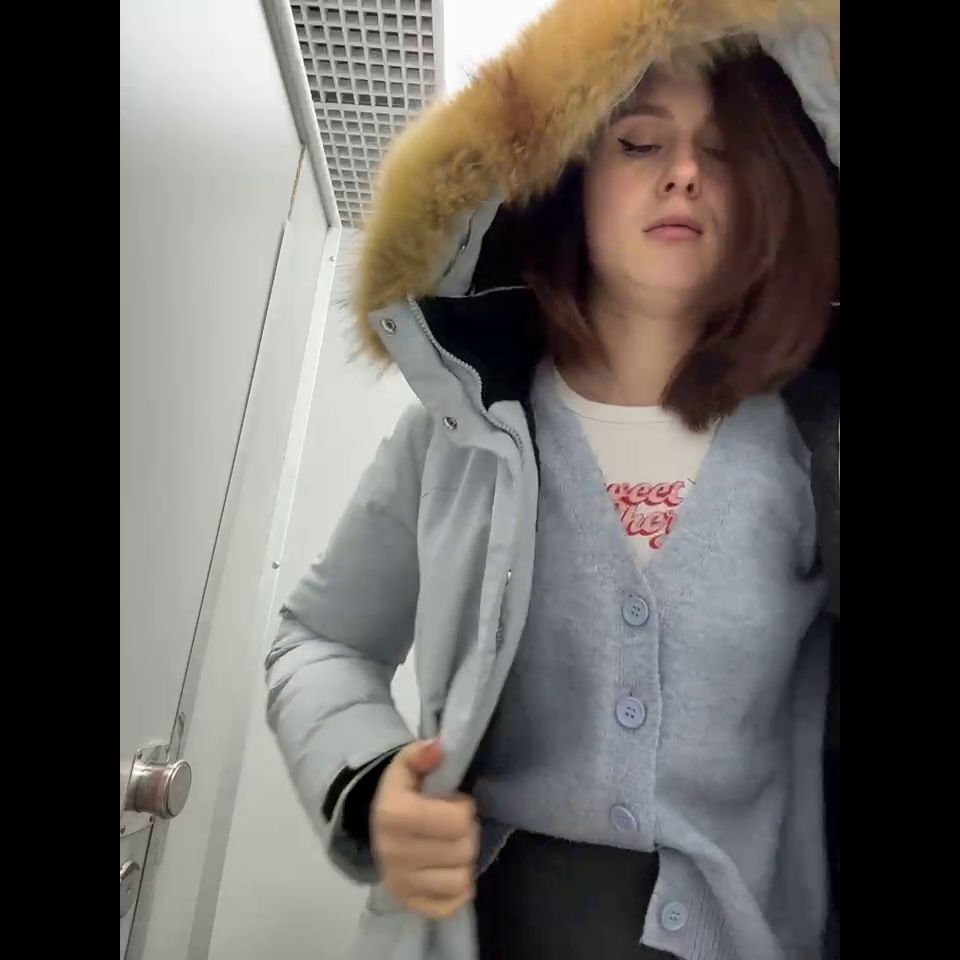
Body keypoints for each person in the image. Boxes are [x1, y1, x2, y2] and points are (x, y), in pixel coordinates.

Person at [266, 2, 840, 959]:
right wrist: (368, 781)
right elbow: (317, 639)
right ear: (569, 182)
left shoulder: (817, 450)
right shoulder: (454, 437)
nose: (684, 172)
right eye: (639, 141)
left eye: (726, 152)